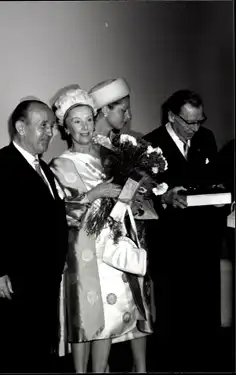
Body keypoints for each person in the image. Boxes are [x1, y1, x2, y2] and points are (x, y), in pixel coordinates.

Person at [0, 99, 68, 373]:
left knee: (38, 357)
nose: (50, 133)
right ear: (21, 127)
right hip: (8, 287)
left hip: (42, 287)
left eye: (52, 126)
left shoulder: (45, 170)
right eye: (43, 125)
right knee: (6, 359)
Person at [50, 87, 152, 373]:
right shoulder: (60, 165)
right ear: (66, 127)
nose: (85, 127)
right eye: (77, 121)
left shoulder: (109, 157)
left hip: (115, 242)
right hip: (84, 248)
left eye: (88, 120)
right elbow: (64, 212)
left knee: (112, 313)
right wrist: (94, 194)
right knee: (88, 312)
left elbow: (129, 194)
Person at [143, 89, 226, 372]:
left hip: (203, 241)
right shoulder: (150, 144)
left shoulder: (207, 138)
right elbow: (140, 195)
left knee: (205, 309)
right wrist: (164, 198)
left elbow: (215, 178)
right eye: (188, 122)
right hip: (170, 244)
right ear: (171, 116)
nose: (194, 128)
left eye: (199, 121)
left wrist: (219, 195)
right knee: (172, 312)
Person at [89, 78, 156, 372]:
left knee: (139, 293)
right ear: (104, 111)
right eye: (122, 110)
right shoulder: (89, 148)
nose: (127, 117)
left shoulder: (129, 142)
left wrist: (145, 187)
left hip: (132, 229)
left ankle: (140, 367)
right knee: (109, 304)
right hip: (103, 233)